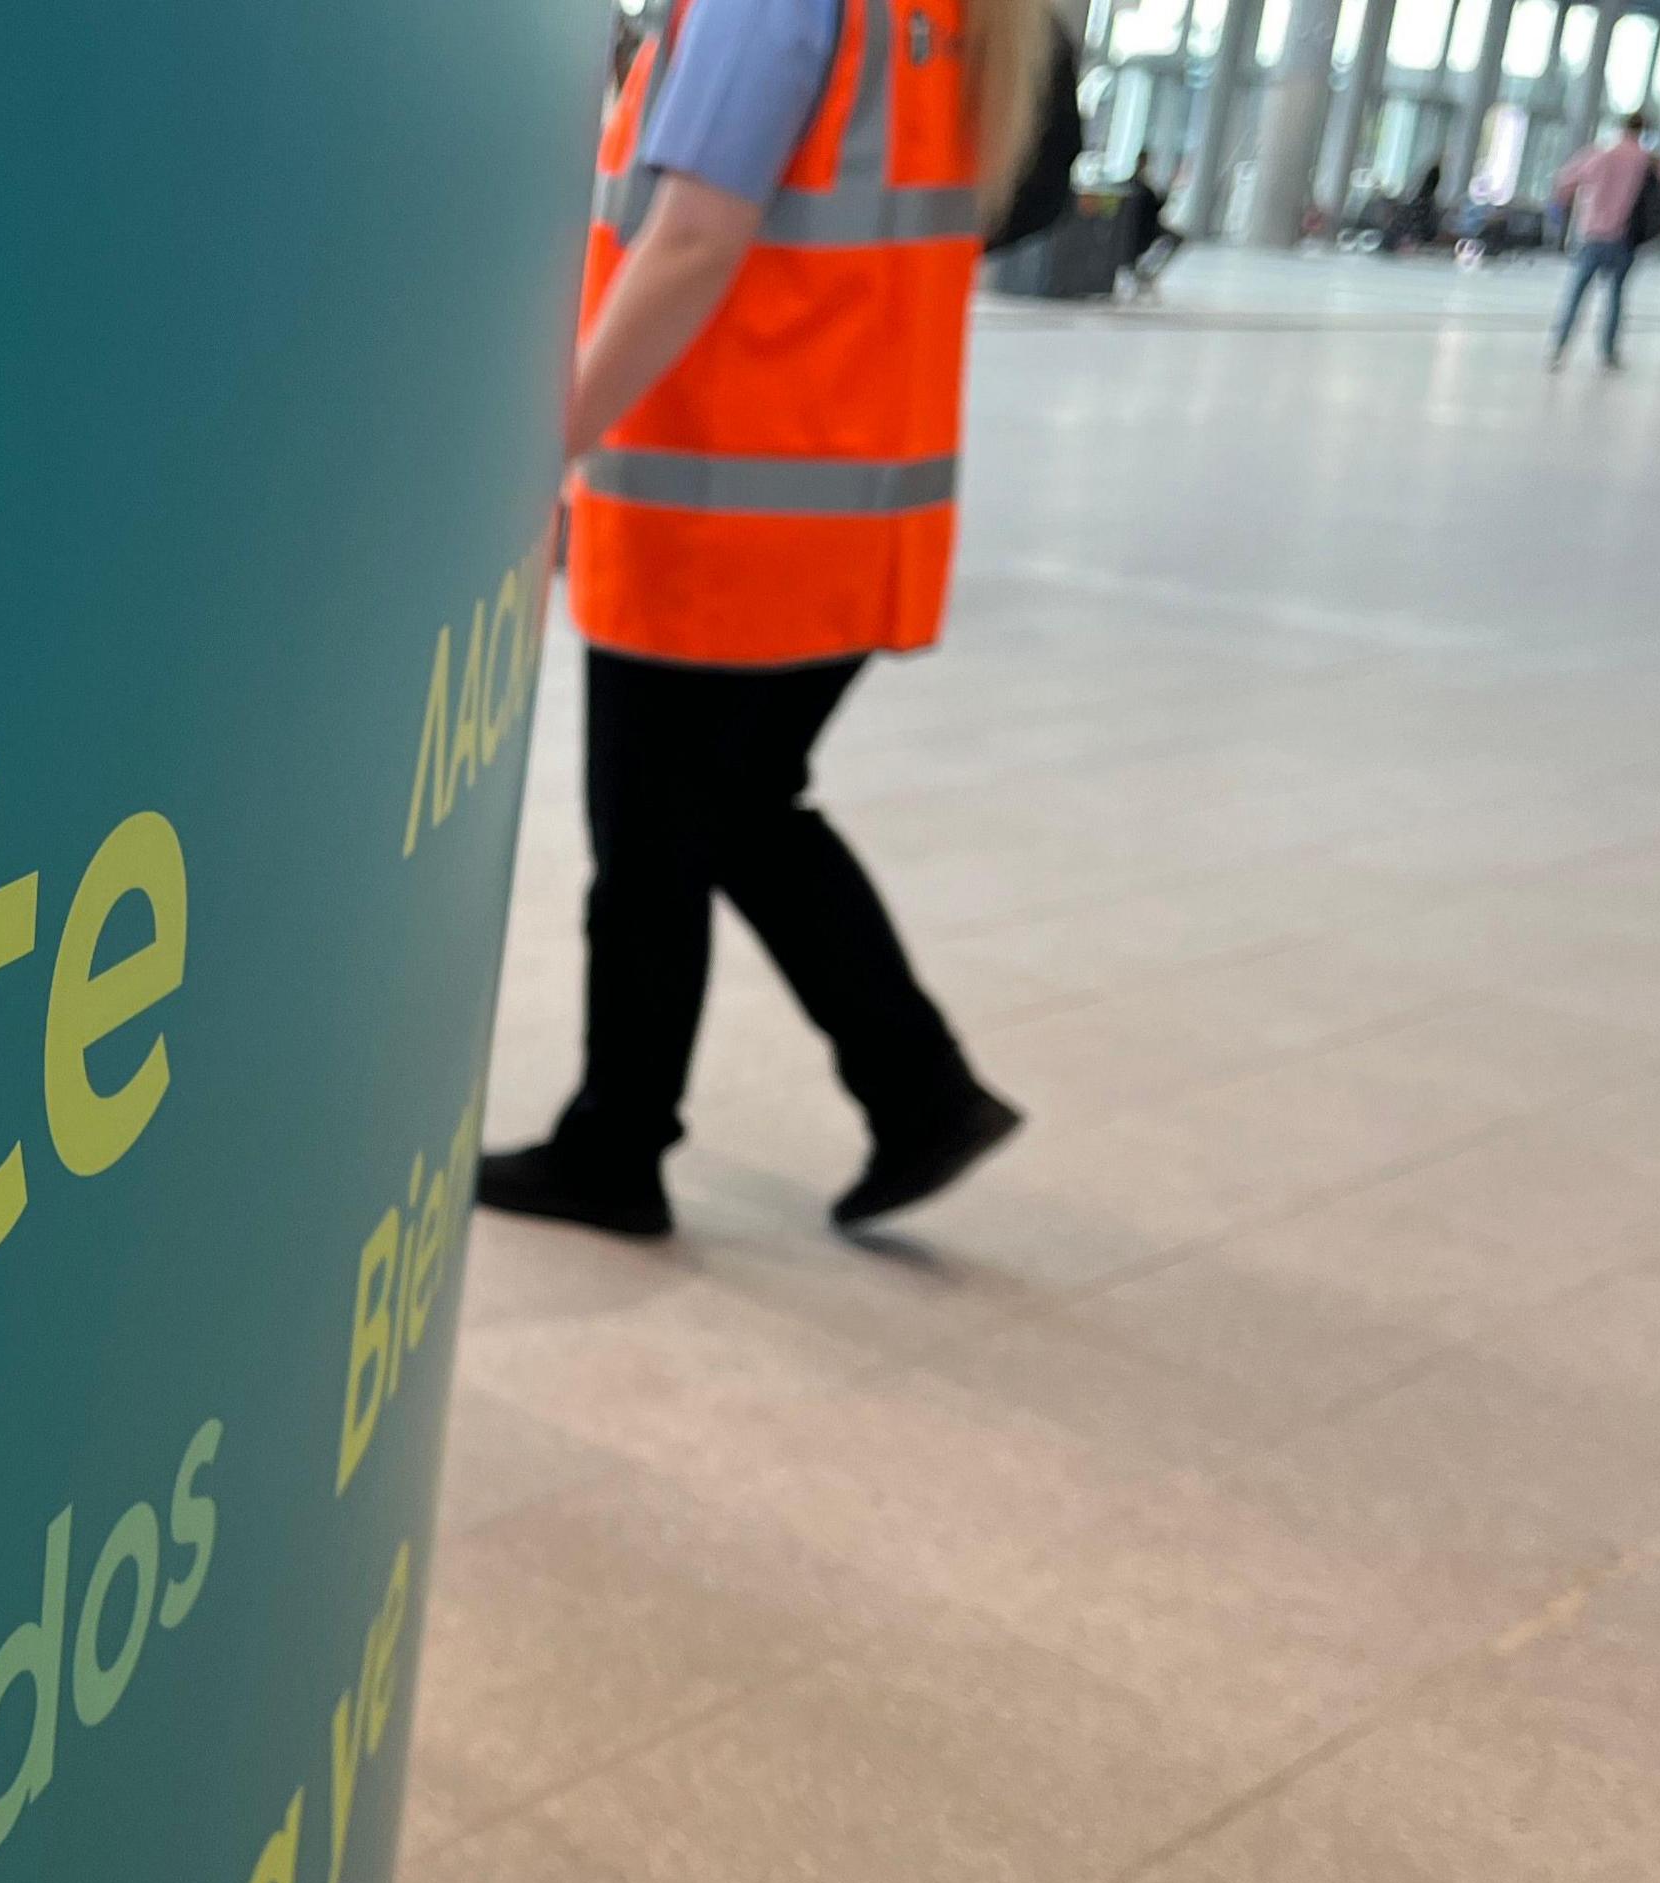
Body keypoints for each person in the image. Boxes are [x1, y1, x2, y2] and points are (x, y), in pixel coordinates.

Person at [480, 0, 1038, 1239]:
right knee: (734, 811)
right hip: (850, 499)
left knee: (653, 847)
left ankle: (618, 1148)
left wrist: (538, 449)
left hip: (725, 507)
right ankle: (917, 1090)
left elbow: (690, 241)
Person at [1545, 112, 1660, 370]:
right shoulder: (1645, 160)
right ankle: (1608, 353)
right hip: (1624, 238)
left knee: (1576, 294)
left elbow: (1564, 182)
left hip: (1593, 234)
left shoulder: (1601, 153)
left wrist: (1563, 212)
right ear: (1643, 130)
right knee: (1616, 297)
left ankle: (1559, 347)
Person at [1119, 154, 1182, 296]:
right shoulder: (1142, 188)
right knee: (1176, 239)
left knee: (1174, 238)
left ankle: (1145, 271)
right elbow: (1155, 208)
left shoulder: (1129, 185)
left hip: (1136, 231)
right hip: (1144, 231)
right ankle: (1145, 272)